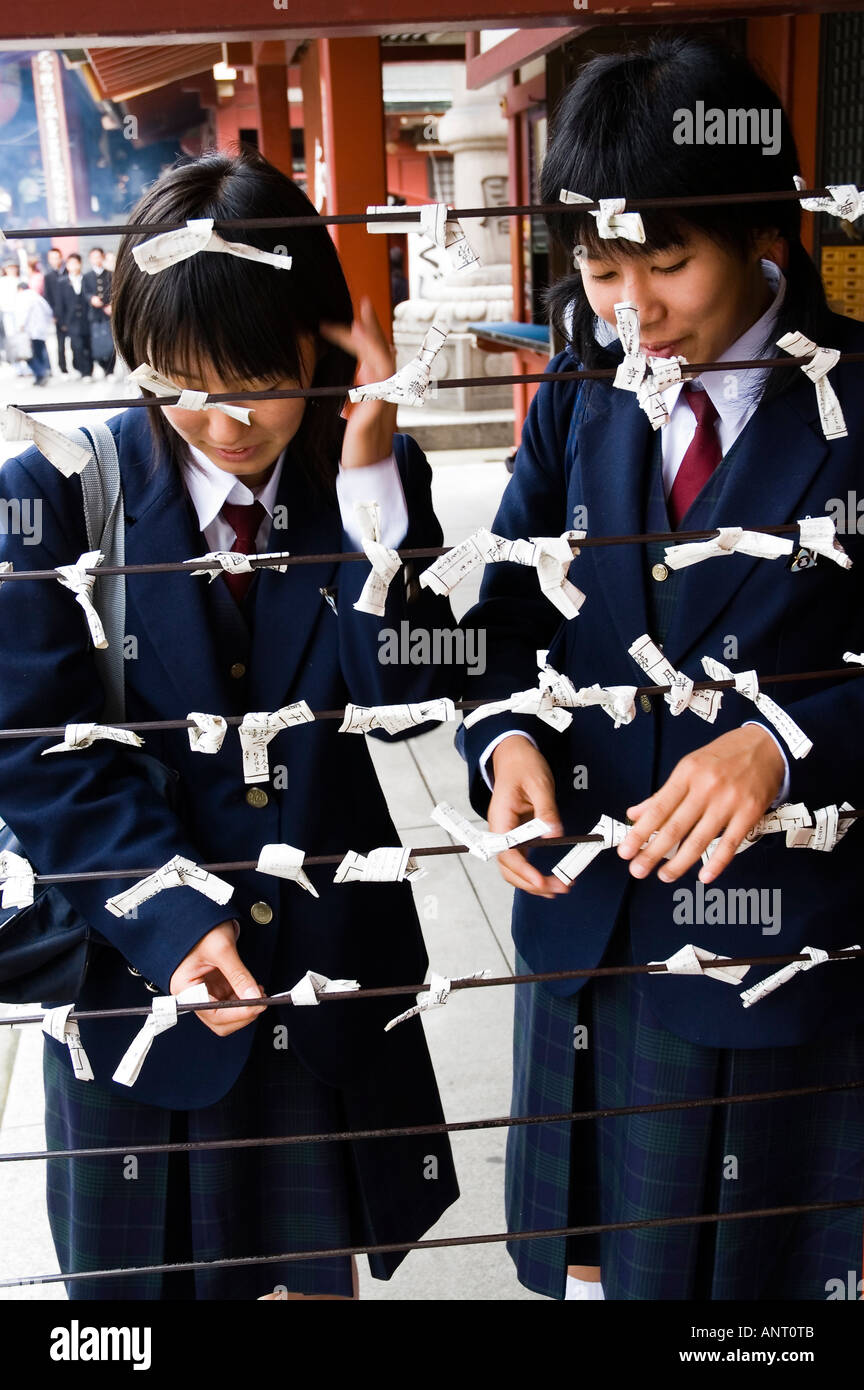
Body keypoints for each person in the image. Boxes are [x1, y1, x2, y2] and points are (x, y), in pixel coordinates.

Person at [0, 147, 462, 1300]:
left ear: (322, 337)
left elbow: (411, 694)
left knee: (318, 1277)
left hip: (321, 970)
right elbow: (29, 748)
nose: (216, 421)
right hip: (139, 968)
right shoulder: (55, 494)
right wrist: (170, 912)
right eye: (177, 380)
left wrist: (367, 497)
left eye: (252, 377)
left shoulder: (370, 476)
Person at [458, 35, 864, 1301]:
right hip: (589, 929)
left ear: (766, 235)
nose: (632, 306)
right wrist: (503, 738)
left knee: (752, 1293)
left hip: (779, 948)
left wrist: (787, 742)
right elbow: (504, 610)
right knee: (597, 1277)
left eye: (668, 263)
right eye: (599, 268)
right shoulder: (582, 391)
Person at [56, 254, 92, 380]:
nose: (73, 266)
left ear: (80, 264)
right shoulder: (62, 282)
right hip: (71, 320)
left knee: (87, 345)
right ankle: (81, 370)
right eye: (70, 263)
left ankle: (88, 371)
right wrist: (62, 321)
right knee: (76, 346)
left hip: (86, 318)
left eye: (76, 263)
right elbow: (59, 303)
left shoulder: (86, 279)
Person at [82, 246, 115, 378]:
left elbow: (115, 291)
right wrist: (91, 298)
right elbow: (85, 293)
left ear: (103, 257)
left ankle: (110, 370)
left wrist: (112, 305)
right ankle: (102, 367)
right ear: (90, 259)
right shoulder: (87, 276)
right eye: (93, 257)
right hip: (94, 314)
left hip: (108, 313)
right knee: (97, 343)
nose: (96, 259)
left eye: (98, 256)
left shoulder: (110, 274)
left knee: (110, 343)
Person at [13, 278, 53, 384]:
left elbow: (23, 313)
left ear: (20, 289)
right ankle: (40, 375)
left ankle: (40, 374)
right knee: (40, 354)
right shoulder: (37, 297)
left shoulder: (23, 296)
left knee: (29, 356)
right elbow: (48, 311)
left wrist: (20, 326)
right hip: (41, 331)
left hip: (29, 332)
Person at [43, 247, 69, 375]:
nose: (55, 260)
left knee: (76, 342)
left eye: (57, 257)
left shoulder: (68, 272)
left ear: (61, 258)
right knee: (60, 343)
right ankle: (63, 368)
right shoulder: (48, 276)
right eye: (52, 258)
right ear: (49, 260)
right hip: (57, 314)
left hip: (71, 312)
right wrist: (52, 314)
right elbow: (47, 296)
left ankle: (79, 366)